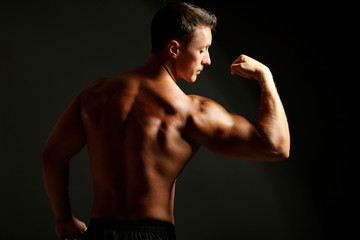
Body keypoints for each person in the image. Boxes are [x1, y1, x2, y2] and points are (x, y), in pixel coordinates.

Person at [42, 2, 290, 240]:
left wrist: (63, 219)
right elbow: (277, 147)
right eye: (202, 50)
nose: (208, 60)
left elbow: (53, 157)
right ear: (174, 49)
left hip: (99, 233)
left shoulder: (94, 95)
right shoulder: (191, 111)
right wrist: (264, 76)